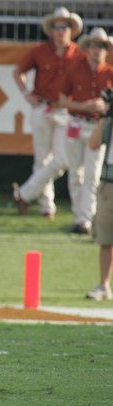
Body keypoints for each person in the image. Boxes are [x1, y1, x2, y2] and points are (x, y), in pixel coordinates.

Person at [12, 7, 84, 219]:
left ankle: (24, 194)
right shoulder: (39, 50)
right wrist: (26, 94)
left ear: (71, 30)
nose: (60, 31)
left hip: (65, 111)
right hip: (42, 106)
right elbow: (18, 72)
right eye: (57, 26)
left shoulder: (78, 54)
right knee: (42, 158)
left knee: (62, 159)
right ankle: (47, 206)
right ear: (51, 30)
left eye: (64, 27)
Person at [58, 28, 113, 235]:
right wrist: (85, 106)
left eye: (101, 46)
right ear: (87, 48)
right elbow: (61, 100)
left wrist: (105, 107)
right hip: (76, 122)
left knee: (93, 174)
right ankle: (80, 216)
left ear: (105, 50)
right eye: (93, 45)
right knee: (75, 172)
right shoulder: (74, 69)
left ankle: (87, 218)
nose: (96, 50)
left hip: (98, 126)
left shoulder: (110, 72)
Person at [86, 114, 112, 301]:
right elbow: (93, 143)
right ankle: (104, 285)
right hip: (109, 181)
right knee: (105, 237)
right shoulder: (110, 120)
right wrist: (105, 116)